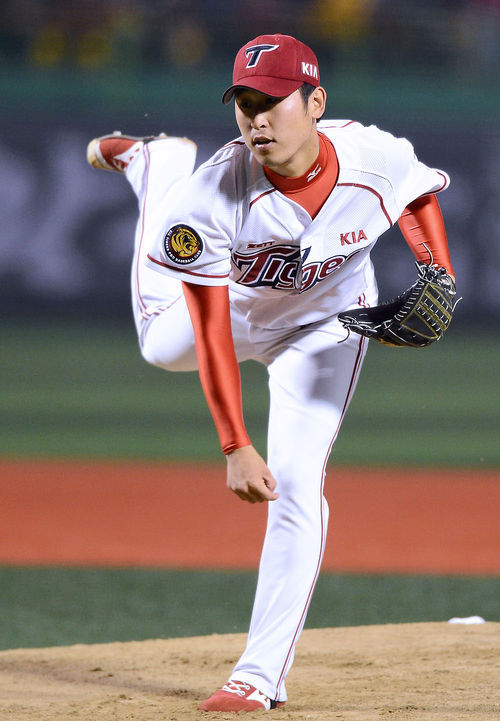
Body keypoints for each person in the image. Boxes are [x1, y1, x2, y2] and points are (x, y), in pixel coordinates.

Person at [87, 33, 455, 712]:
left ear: (315, 102)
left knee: (297, 481)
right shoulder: (214, 195)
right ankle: (156, 167)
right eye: (246, 104)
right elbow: (208, 330)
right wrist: (234, 444)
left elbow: (415, 193)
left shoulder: (373, 155)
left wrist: (440, 272)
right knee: (159, 347)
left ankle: (258, 675)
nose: (257, 119)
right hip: (232, 313)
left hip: (326, 325)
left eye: (274, 102)